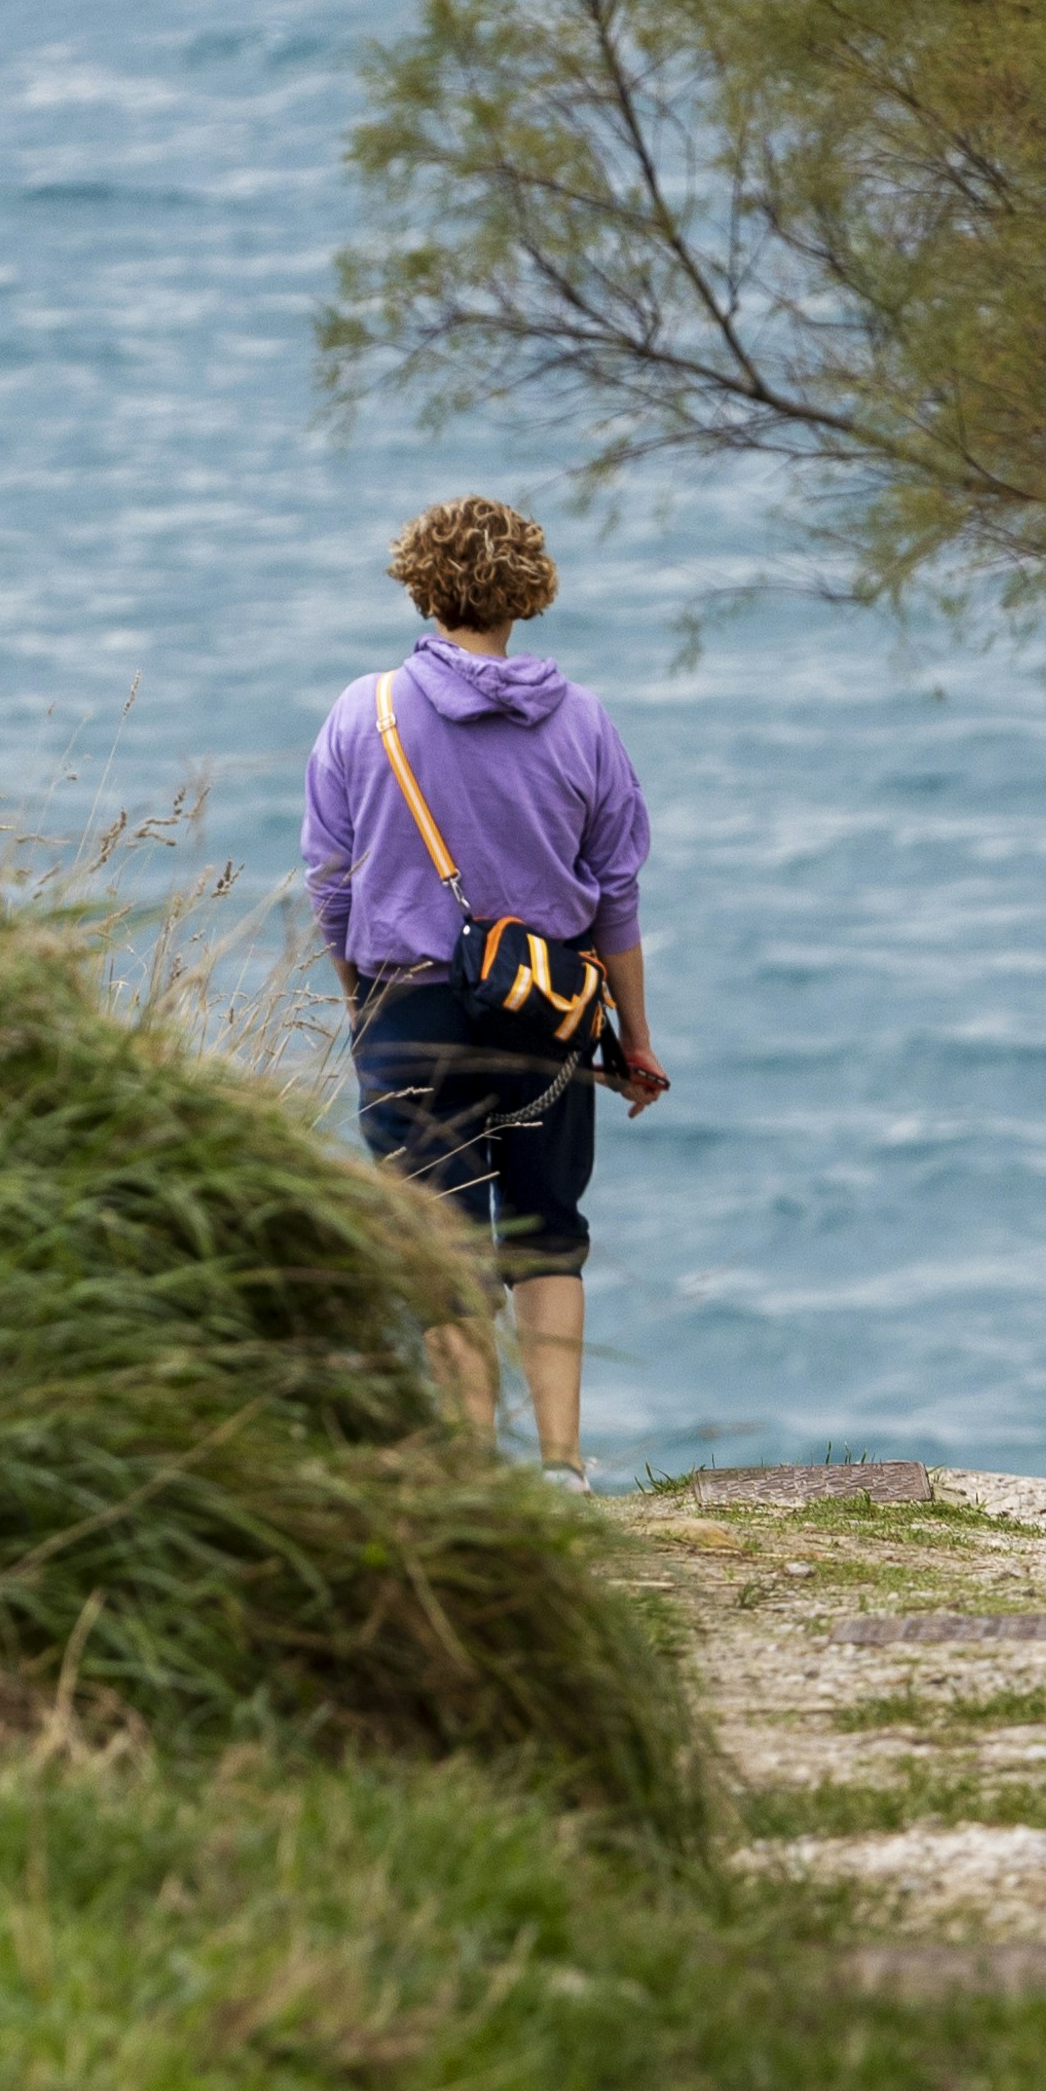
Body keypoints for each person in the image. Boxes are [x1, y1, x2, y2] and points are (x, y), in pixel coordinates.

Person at [301, 495, 668, 1483]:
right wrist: (632, 1041)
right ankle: (561, 1470)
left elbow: (331, 886)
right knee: (549, 1239)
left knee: (442, 1249)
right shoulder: (585, 722)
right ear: (528, 590)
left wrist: (358, 1002)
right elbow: (615, 897)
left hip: (406, 1010)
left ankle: (470, 1476)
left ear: (420, 582)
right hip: (548, 1017)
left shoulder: (363, 712)